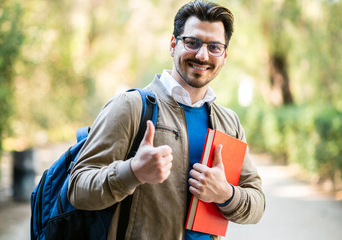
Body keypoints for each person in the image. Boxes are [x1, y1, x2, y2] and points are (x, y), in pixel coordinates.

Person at [68, 1, 265, 239]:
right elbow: (78, 189)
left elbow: (256, 203)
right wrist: (132, 172)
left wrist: (226, 194)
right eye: (192, 42)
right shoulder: (131, 107)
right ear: (173, 45)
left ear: (224, 55)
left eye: (214, 47)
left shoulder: (228, 122)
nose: (202, 55)